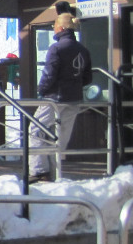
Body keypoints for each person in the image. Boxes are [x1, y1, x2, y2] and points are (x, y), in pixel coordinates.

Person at [28, 12, 92, 182]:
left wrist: (42, 90)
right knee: (61, 135)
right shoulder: (82, 49)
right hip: (74, 99)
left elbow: (49, 74)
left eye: (55, 26)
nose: (53, 29)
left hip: (55, 98)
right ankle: (56, 172)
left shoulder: (56, 48)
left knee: (35, 130)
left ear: (61, 28)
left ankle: (40, 170)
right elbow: (87, 77)